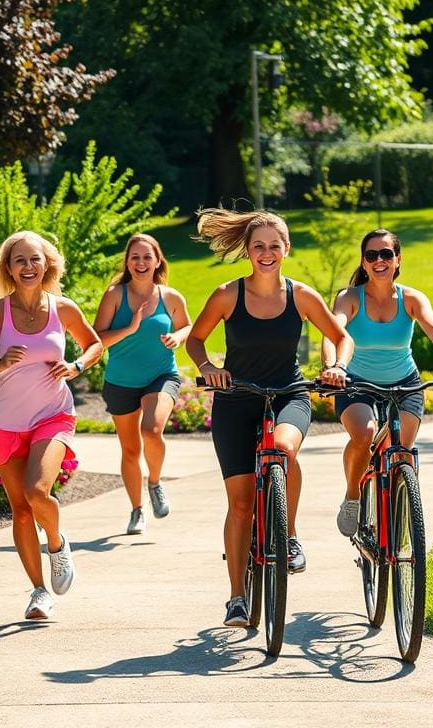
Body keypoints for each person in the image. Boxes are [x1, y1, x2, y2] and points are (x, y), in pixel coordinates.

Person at [185, 208, 352, 628]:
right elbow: (195, 340)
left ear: (286, 250)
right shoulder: (227, 294)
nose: (266, 253)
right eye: (258, 245)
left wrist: (339, 367)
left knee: (283, 449)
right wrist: (207, 367)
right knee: (240, 504)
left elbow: (340, 337)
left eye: (273, 246)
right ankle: (237, 598)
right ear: (247, 250)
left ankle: (289, 534)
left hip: (288, 394)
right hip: (236, 398)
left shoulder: (301, 295)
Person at [0, 230, 103, 621]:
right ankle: (38, 592)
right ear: (9, 269)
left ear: (47, 263)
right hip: (7, 421)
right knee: (20, 510)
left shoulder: (62, 308)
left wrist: (77, 366)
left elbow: (96, 344)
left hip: (53, 414)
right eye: (20, 260)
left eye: (35, 259)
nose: (28, 266)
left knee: (37, 491)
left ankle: (57, 543)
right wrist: (0, 364)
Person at [321, 229, 433, 538]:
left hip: (405, 384)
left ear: (398, 259)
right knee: (363, 435)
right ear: (364, 263)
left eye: (386, 254)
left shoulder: (412, 299)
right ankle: (353, 495)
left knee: (401, 451)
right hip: (357, 383)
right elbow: (332, 333)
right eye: (372, 255)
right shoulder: (350, 298)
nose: (379, 261)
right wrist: (332, 367)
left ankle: (397, 516)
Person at [93, 234, 192, 535]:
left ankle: (155, 482)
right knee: (130, 449)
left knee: (151, 429)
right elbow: (96, 339)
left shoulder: (170, 297)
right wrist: (130, 328)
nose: (140, 262)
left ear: (157, 260)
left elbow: (187, 325)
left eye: (147, 257)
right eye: (134, 257)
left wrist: (178, 337)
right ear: (127, 262)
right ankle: (137, 509)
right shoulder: (114, 295)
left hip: (161, 375)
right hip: (121, 381)